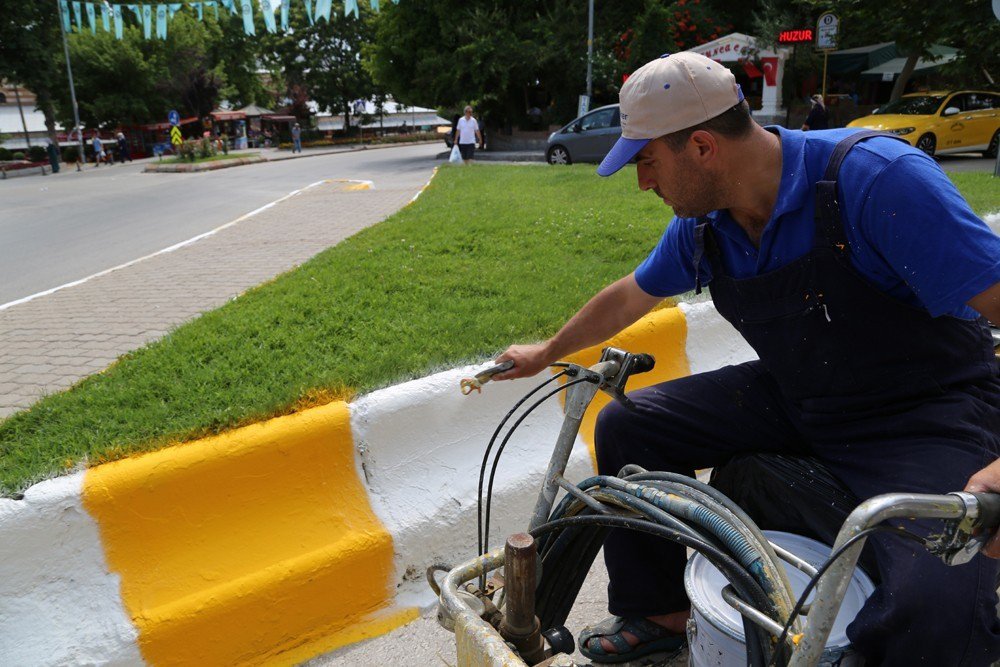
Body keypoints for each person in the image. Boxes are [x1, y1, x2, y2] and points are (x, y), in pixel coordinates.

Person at [494, 52, 1000, 664]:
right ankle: (659, 611)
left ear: (702, 146)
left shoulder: (876, 180)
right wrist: (545, 352)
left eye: (647, 161)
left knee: (932, 612)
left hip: (923, 408)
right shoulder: (707, 223)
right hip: (800, 392)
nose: (643, 182)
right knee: (628, 425)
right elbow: (632, 293)